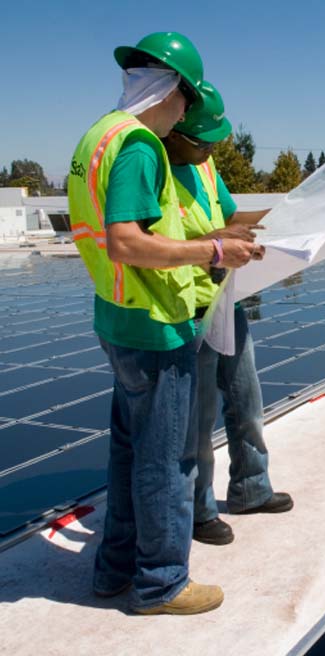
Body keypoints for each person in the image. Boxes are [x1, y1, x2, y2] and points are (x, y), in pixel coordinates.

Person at [67, 32, 262, 615]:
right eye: (188, 102)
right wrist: (213, 254)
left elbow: (127, 238)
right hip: (154, 323)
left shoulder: (98, 134)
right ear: (172, 92)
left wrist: (211, 239)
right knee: (166, 461)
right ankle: (161, 583)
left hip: (118, 316)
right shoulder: (141, 144)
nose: (187, 116)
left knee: (128, 455)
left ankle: (113, 571)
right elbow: (127, 241)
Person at [162, 82, 293, 547]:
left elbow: (234, 218)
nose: (208, 152)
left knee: (247, 400)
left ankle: (251, 488)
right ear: (175, 131)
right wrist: (213, 242)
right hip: (190, 310)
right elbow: (158, 245)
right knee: (199, 420)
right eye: (203, 143)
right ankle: (198, 511)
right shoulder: (156, 171)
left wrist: (287, 213)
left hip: (227, 301)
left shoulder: (205, 166)